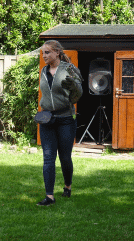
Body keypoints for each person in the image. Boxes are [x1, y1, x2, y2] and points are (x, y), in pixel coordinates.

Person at [37, 40, 83, 206]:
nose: (45, 56)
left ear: (57, 52)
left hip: (65, 119)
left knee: (64, 157)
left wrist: (75, 87)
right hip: (47, 119)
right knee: (48, 158)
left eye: (47, 52)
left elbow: (79, 94)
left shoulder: (69, 69)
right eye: (43, 53)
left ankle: (67, 186)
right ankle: (49, 196)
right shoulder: (43, 70)